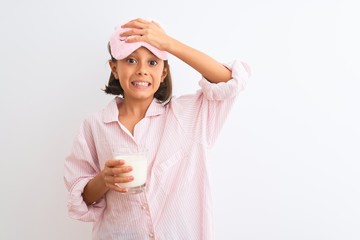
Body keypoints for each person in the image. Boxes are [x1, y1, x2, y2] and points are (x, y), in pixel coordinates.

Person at [64, 18, 250, 240]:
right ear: (114, 68)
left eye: (152, 62)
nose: (142, 70)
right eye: (131, 60)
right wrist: (104, 179)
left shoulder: (188, 115)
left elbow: (230, 81)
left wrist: (169, 44)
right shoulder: (94, 126)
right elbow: (82, 196)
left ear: (163, 73)